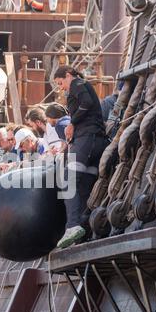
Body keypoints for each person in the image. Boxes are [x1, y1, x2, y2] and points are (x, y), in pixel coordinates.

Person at [53, 66, 108, 249]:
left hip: (86, 141)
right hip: (97, 144)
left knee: (69, 181)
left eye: (61, 83)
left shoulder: (77, 83)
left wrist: (72, 123)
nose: (62, 88)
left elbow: (86, 103)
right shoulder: (82, 85)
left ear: (67, 76)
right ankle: (85, 228)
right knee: (85, 185)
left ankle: (73, 226)